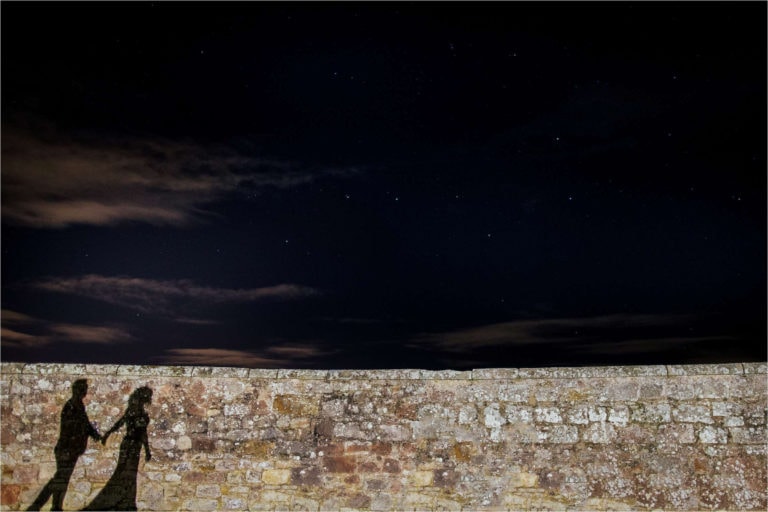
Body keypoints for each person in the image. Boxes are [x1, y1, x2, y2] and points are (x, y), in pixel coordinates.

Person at [27, 379, 101, 511]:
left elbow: (85, 424)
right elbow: (67, 429)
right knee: (60, 479)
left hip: (72, 450)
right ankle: (40, 506)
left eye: (85, 389)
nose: (84, 391)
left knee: (62, 479)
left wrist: (95, 435)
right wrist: (67, 449)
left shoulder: (78, 406)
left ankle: (54, 507)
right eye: (83, 389)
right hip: (66, 449)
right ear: (77, 390)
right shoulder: (71, 406)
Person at [82, 387, 153, 511]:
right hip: (132, 446)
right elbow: (142, 433)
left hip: (129, 445)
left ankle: (126, 501)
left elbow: (119, 424)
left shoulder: (133, 410)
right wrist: (147, 450)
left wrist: (107, 434)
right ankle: (126, 502)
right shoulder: (138, 412)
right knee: (128, 474)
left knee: (126, 473)